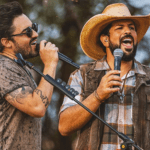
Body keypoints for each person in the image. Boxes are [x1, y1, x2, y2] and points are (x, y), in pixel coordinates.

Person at [59, 3, 150, 150]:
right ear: (105, 40)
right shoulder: (82, 75)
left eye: (131, 28)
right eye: (120, 28)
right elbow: (64, 126)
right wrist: (97, 96)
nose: (128, 31)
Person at [0, 1, 59, 150]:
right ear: (6, 42)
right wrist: (50, 64)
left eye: (34, 27)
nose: (36, 34)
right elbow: (38, 107)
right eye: (27, 32)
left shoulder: (20, 66)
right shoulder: (3, 67)